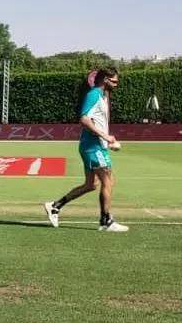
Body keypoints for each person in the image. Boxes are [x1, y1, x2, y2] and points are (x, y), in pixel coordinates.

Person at [43, 67, 127, 232]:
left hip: (94, 146)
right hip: (93, 146)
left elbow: (96, 121)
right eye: (114, 81)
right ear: (105, 80)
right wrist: (104, 136)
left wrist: (108, 139)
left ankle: (55, 206)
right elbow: (84, 119)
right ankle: (105, 221)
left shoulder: (102, 96)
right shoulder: (94, 95)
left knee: (91, 184)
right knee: (108, 181)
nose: (117, 84)